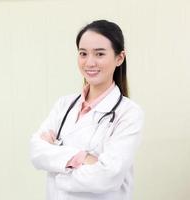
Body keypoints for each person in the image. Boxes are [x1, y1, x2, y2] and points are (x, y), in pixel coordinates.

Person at [30, 20, 144, 200]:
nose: (89, 62)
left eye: (99, 54)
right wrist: (82, 157)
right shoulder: (64, 105)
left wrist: (57, 167)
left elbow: (107, 177)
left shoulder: (128, 113)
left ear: (119, 58)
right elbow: (36, 152)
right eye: (83, 53)